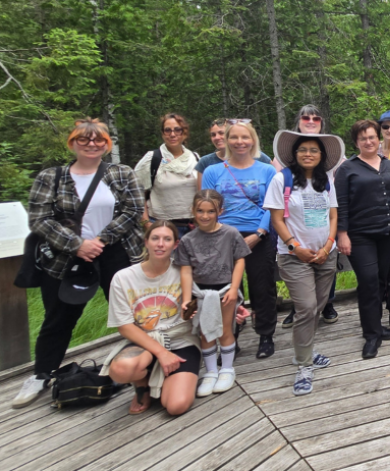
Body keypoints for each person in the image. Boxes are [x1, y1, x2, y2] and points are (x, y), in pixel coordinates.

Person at [12, 119, 144, 409]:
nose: (92, 144)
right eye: (84, 139)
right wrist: (77, 244)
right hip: (65, 256)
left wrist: (102, 239)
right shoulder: (52, 177)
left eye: (98, 140)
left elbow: (134, 208)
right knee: (59, 317)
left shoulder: (120, 173)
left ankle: (142, 366)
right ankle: (41, 374)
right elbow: (39, 218)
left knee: (130, 313)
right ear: (72, 142)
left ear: (106, 144)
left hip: (114, 252)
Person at [264, 130, 344, 395]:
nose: (308, 154)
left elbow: (333, 215)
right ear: (294, 154)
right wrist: (295, 247)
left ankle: (306, 349)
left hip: (325, 254)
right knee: (306, 307)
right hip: (294, 257)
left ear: (321, 156)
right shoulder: (281, 180)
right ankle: (303, 364)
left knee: (316, 308)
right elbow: (276, 219)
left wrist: (329, 244)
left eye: (313, 150)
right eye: (303, 150)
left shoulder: (327, 181)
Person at [200, 120, 279, 359]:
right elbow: (206, 207)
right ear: (226, 140)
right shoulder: (213, 171)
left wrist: (259, 234)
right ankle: (230, 337)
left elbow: (273, 206)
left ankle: (265, 335)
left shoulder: (266, 170)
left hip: (259, 234)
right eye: (234, 137)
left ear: (253, 140)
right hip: (222, 237)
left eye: (245, 137)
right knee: (225, 290)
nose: (239, 142)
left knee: (262, 286)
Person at [103, 221, 200, 415]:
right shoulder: (123, 278)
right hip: (145, 340)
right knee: (121, 370)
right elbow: (124, 326)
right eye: (155, 238)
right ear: (146, 242)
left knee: (175, 406)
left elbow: (207, 297)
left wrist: (232, 308)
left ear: (175, 244)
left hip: (181, 340)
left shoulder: (185, 272)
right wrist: (162, 353)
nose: (160, 244)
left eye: (167, 239)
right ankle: (143, 384)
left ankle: (168, 380)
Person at [336, 120, 390, 360]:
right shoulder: (347, 169)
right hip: (359, 235)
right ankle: (371, 335)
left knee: (382, 281)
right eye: (363, 138)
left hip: (387, 231)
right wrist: (342, 233)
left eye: (372, 137)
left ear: (379, 139)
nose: (369, 141)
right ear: (356, 142)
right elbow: (340, 203)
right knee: (369, 281)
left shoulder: (389, 164)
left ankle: (377, 325)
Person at [177, 190, 249, 397]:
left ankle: (227, 369)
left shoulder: (231, 234)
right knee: (205, 333)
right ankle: (210, 371)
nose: (205, 216)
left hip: (225, 290)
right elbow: (185, 269)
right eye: (200, 211)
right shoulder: (188, 240)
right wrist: (187, 298)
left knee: (225, 330)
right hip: (201, 292)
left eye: (211, 211)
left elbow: (239, 260)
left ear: (220, 211)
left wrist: (234, 288)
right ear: (193, 211)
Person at [280, 104, 340, 328]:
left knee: (327, 262)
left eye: (316, 117)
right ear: (298, 121)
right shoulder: (284, 165)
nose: (311, 121)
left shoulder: (334, 161)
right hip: (295, 228)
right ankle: (300, 308)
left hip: (324, 222)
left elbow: (337, 193)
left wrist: (335, 237)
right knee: (301, 281)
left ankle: (327, 304)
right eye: (306, 117)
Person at [134, 113, 201, 235]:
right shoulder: (152, 159)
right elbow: (137, 193)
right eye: (167, 130)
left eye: (177, 130)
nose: (172, 134)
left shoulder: (195, 158)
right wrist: (146, 223)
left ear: (184, 132)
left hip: (193, 228)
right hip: (162, 228)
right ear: (162, 133)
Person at [195, 119, 273, 184]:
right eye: (213, 135)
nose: (217, 137)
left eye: (221, 133)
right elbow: (203, 198)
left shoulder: (260, 158)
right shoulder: (206, 164)